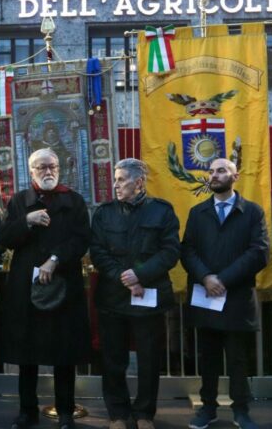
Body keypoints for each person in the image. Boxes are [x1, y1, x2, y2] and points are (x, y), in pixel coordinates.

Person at [0, 148, 91, 429]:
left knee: (64, 353)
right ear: (31, 171)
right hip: (25, 288)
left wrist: (55, 259)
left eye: (52, 166)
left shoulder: (74, 201)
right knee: (26, 354)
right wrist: (26, 221)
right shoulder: (19, 201)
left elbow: (81, 239)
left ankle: (65, 411)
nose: (48, 171)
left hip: (64, 283)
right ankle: (27, 411)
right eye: (41, 167)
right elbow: (6, 239)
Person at [90, 158, 180, 429]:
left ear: (139, 182)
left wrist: (140, 274)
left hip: (148, 296)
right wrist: (126, 278)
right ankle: (118, 414)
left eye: (121, 180)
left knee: (149, 359)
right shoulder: (104, 213)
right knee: (112, 359)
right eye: (115, 179)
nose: (115, 185)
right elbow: (97, 252)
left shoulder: (162, 211)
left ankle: (144, 414)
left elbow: (170, 251)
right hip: (113, 297)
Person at [181, 158, 268, 429]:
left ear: (235, 176)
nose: (214, 175)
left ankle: (241, 410)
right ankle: (208, 408)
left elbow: (259, 252)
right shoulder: (198, 212)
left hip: (236, 297)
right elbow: (187, 250)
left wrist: (223, 279)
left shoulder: (252, 212)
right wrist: (206, 277)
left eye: (221, 170)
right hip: (206, 296)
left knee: (238, 359)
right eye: (211, 171)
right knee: (208, 358)